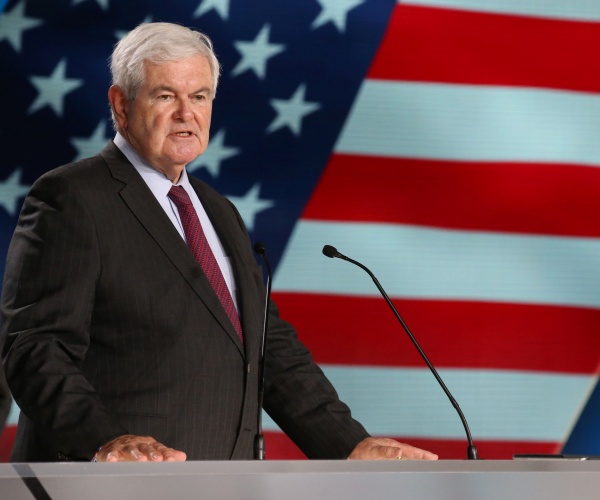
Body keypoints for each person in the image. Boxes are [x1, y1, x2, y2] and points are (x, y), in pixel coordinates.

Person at [0, 22, 437, 463]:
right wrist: (106, 442)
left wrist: (349, 445)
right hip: (117, 483)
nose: (186, 113)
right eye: (165, 95)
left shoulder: (217, 211)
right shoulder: (73, 197)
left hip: (224, 480)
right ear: (121, 106)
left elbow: (269, 352)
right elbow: (35, 347)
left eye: (200, 97)